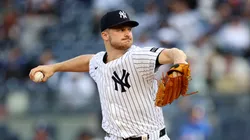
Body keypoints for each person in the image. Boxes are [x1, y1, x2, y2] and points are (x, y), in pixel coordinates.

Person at [29, 10, 188, 140]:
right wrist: (54, 68)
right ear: (105, 35)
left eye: (129, 29)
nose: (127, 34)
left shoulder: (138, 57)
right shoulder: (99, 62)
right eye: (120, 30)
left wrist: (180, 65)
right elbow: (87, 61)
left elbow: (174, 53)